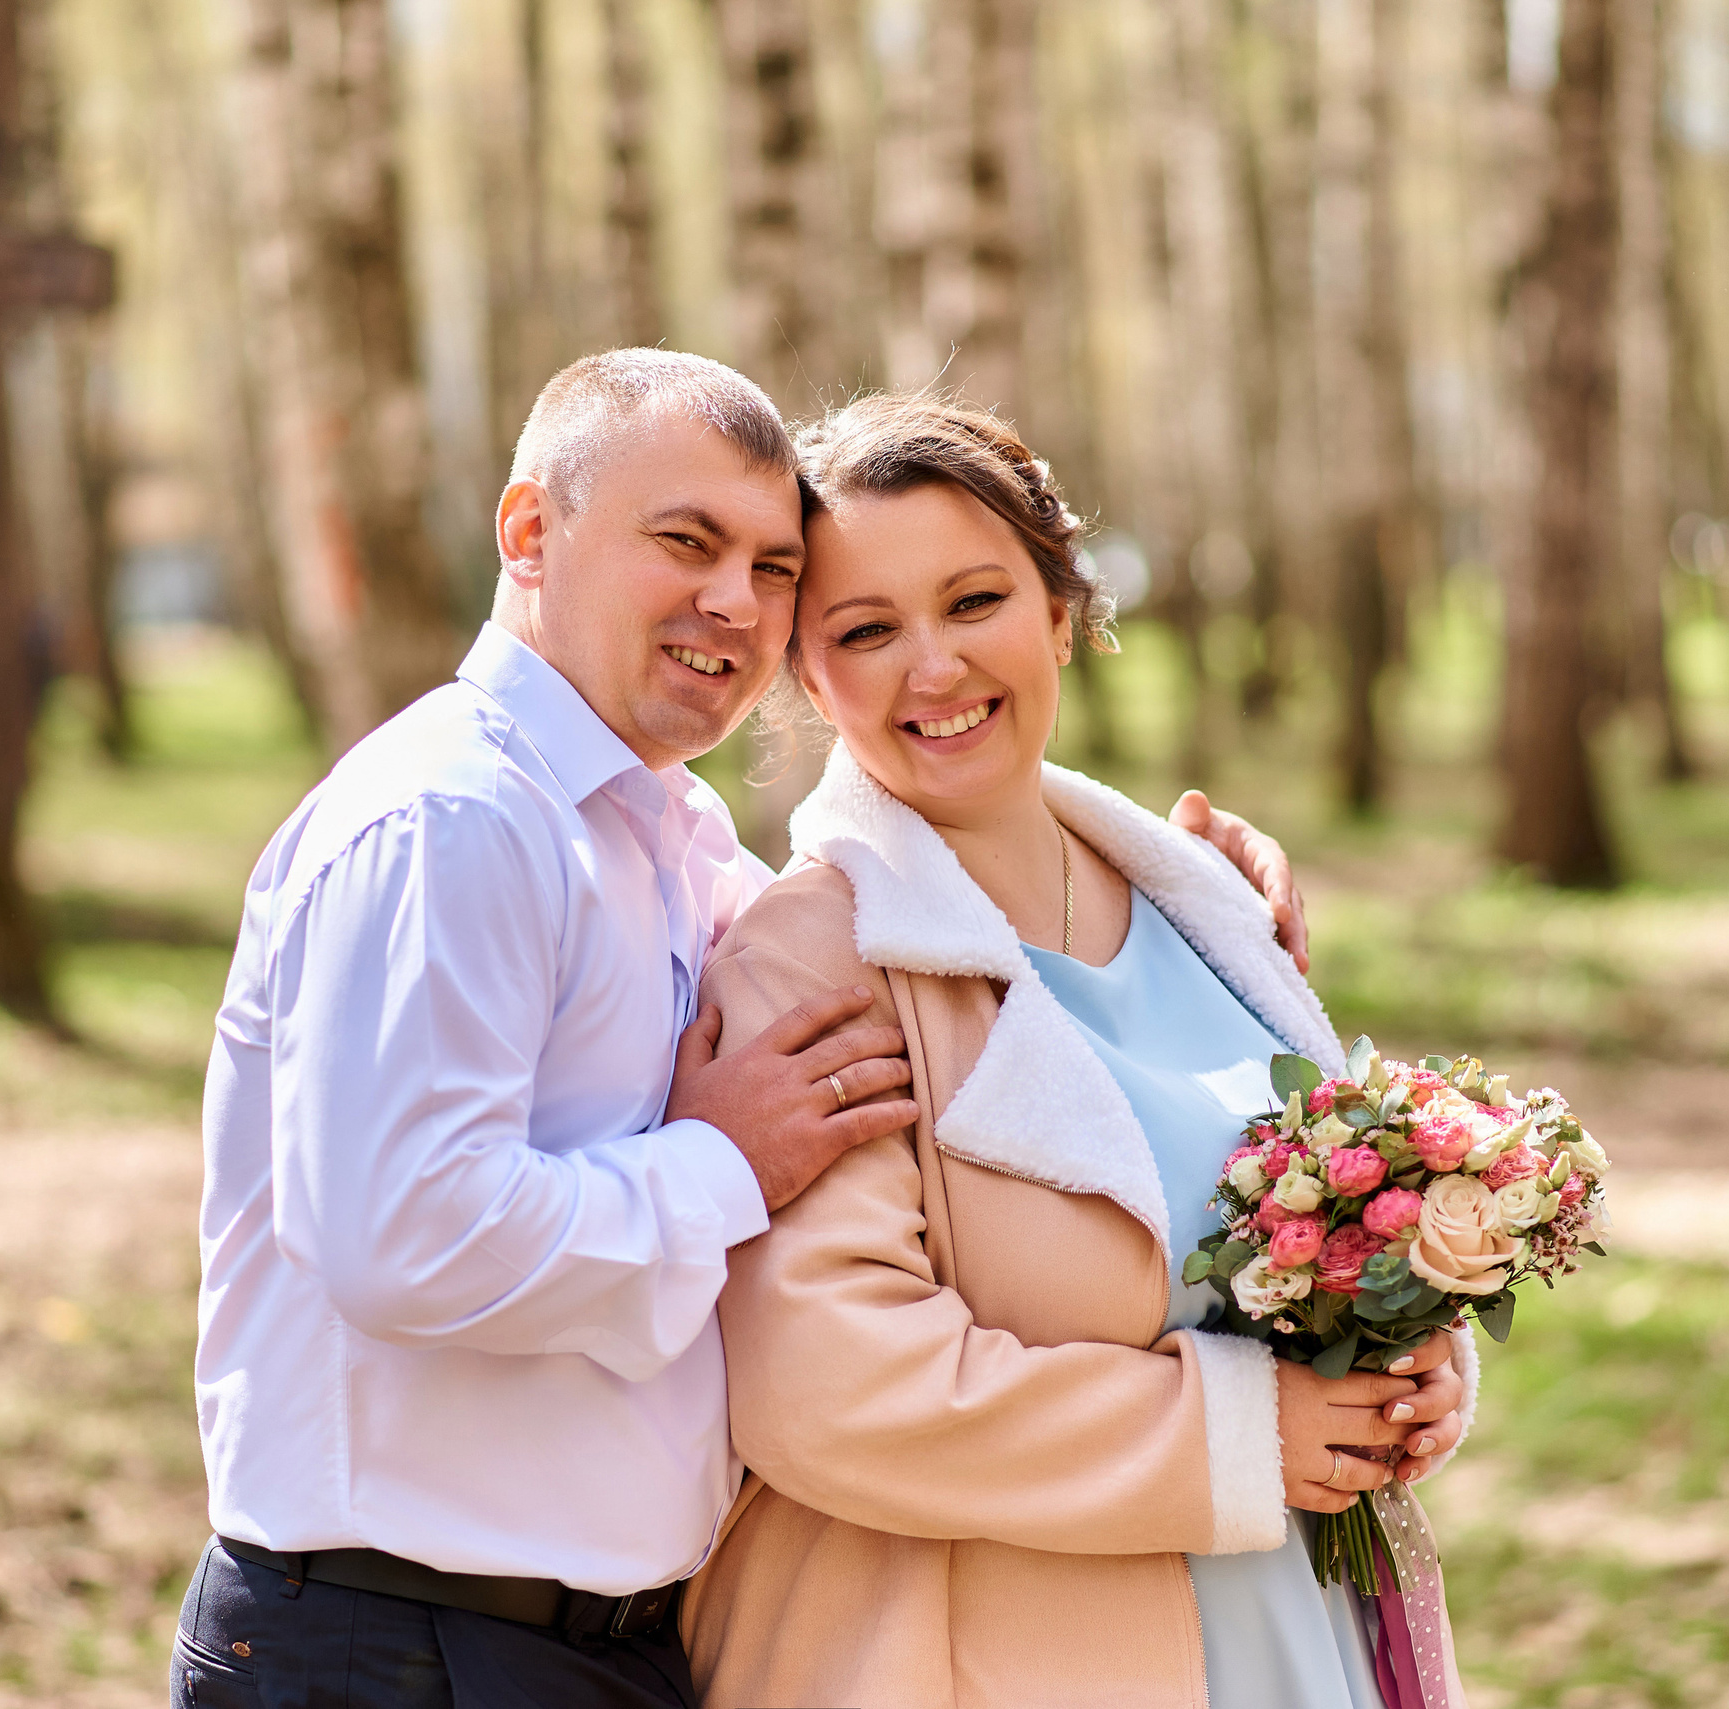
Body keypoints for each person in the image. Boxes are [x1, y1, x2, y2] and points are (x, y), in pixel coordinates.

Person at [171, 351, 1323, 1709]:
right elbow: (397, 1232)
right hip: (398, 1639)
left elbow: (951, 930)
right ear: (530, 531)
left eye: (774, 567)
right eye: (687, 541)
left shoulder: (672, 836)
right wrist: (718, 1163)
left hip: (591, 1644)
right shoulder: (452, 819)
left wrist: (1200, 896)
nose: (734, 599)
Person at [680, 393, 1479, 1709]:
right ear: (808, 678)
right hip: (987, 1656)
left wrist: (1410, 1359)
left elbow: (1331, 1224)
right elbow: (826, 1385)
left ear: (1059, 611)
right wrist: (1239, 1434)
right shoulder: (816, 958)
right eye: (866, 631)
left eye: (975, 601)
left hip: (1295, 1629)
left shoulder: (1211, 909)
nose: (930, 667)